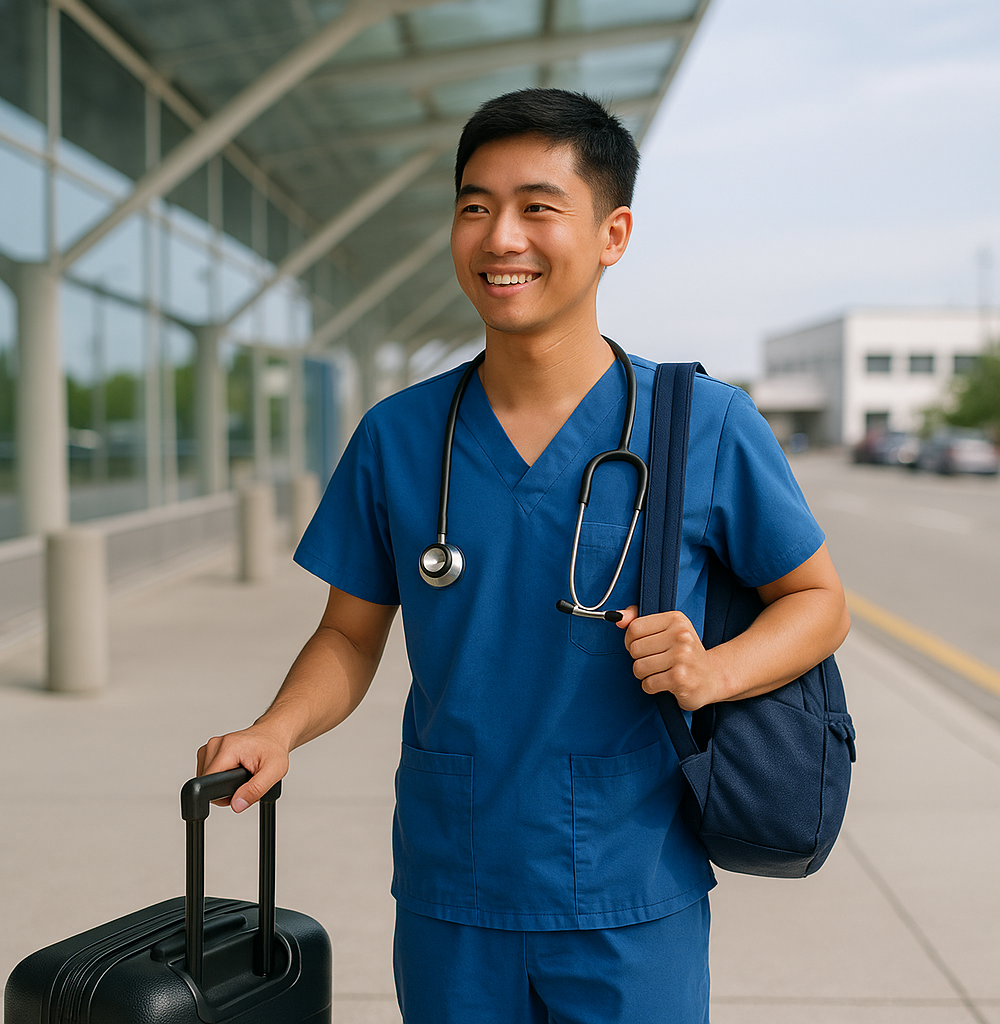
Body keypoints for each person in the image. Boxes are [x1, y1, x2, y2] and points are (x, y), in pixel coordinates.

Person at [197, 88, 850, 1023]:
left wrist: (715, 671)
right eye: (475, 206)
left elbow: (819, 601)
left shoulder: (701, 425)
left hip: (633, 897)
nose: (502, 236)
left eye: (539, 207)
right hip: (453, 891)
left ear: (612, 233)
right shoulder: (400, 436)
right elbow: (349, 634)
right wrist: (277, 729)